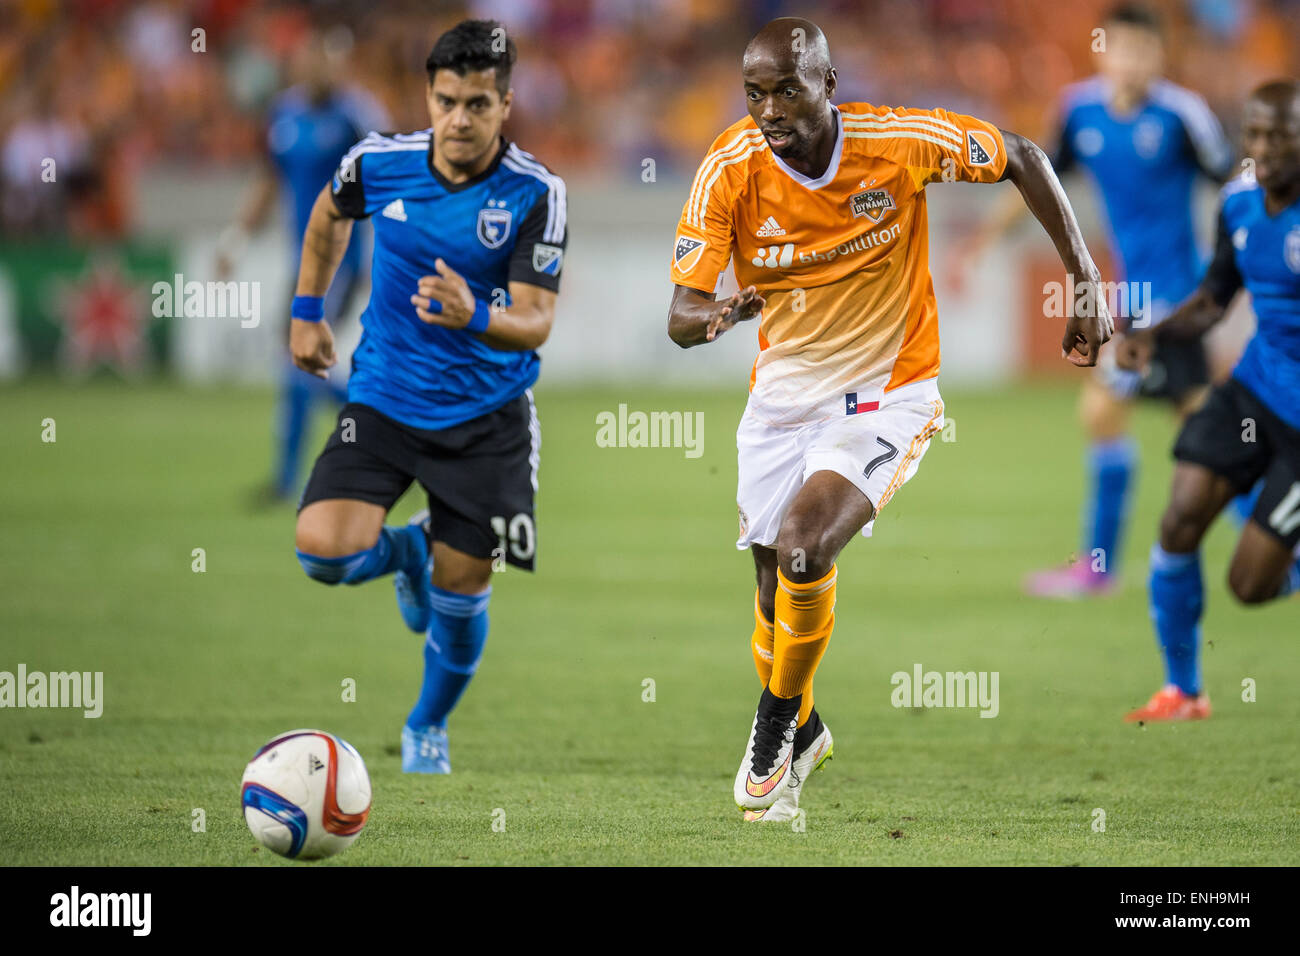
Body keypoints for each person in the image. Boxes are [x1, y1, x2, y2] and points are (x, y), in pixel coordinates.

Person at [666, 17, 1112, 820]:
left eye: (787, 89)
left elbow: (1023, 155)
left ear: (828, 85)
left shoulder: (896, 142)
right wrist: (718, 315)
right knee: (772, 591)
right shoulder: (729, 169)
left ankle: (772, 728)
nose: (769, 109)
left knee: (804, 550)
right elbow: (680, 313)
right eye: (755, 93)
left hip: (888, 389)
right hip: (781, 400)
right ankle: (805, 728)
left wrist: (1082, 279)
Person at [289, 20, 567, 772]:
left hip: (487, 417)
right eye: (447, 100)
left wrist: (473, 313)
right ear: (428, 96)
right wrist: (309, 312)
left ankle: (426, 724)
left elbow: (536, 320)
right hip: (384, 398)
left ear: (506, 104)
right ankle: (408, 548)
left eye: (478, 103)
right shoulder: (377, 162)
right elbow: (326, 218)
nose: (459, 119)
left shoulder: (536, 193)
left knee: (467, 581)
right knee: (321, 552)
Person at [956, 3, 1234, 598]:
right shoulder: (1079, 111)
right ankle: (1274, 542)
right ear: (1103, 51)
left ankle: (1104, 568)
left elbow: (1233, 183)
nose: (1130, 60)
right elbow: (1034, 178)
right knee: (1198, 431)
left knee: (1130, 417)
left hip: (1173, 300)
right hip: (1131, 294)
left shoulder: (1183, 114)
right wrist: (981, 242)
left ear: (1158, 57)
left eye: (1142, 50)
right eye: (1121, 48)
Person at [1116, 80, 1300, 722]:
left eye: (1281, 135)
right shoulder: (1239, 205)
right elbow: (1214, 297)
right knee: (1180, 516)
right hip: (1254, 391)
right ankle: (1184, 691)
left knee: (1249, 588)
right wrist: (1151, 336)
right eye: (1255, 134)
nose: (1264, 148)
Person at [216, 27, 389, 505]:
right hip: (302, 260)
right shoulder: (284, 115)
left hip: (342, 259)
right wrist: (235, 239)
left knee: (299, 356)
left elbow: (391, 182)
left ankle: (379, 438)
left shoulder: (358, 117)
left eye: (330, 59)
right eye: (313, 58)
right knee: (296, 364)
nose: (320, 68)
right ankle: (300, 473)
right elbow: (269, 181)